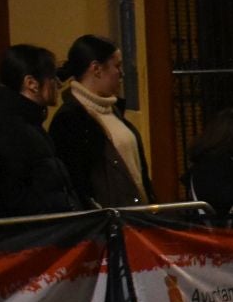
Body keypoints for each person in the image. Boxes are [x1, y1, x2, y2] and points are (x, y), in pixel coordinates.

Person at [0, 44, 80, 219]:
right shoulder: (9, 130)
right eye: (52, 77)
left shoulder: (29, 123)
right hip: (36, 237)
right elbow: (13, 198)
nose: (58, 84)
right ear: (31, 84)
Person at [49, 35, 154, 207]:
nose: (122, 73)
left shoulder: (113, 110)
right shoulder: (70, 119)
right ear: (96, 68)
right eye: (117, 66)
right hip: (107, 224)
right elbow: (77, 182)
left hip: (134, 218)